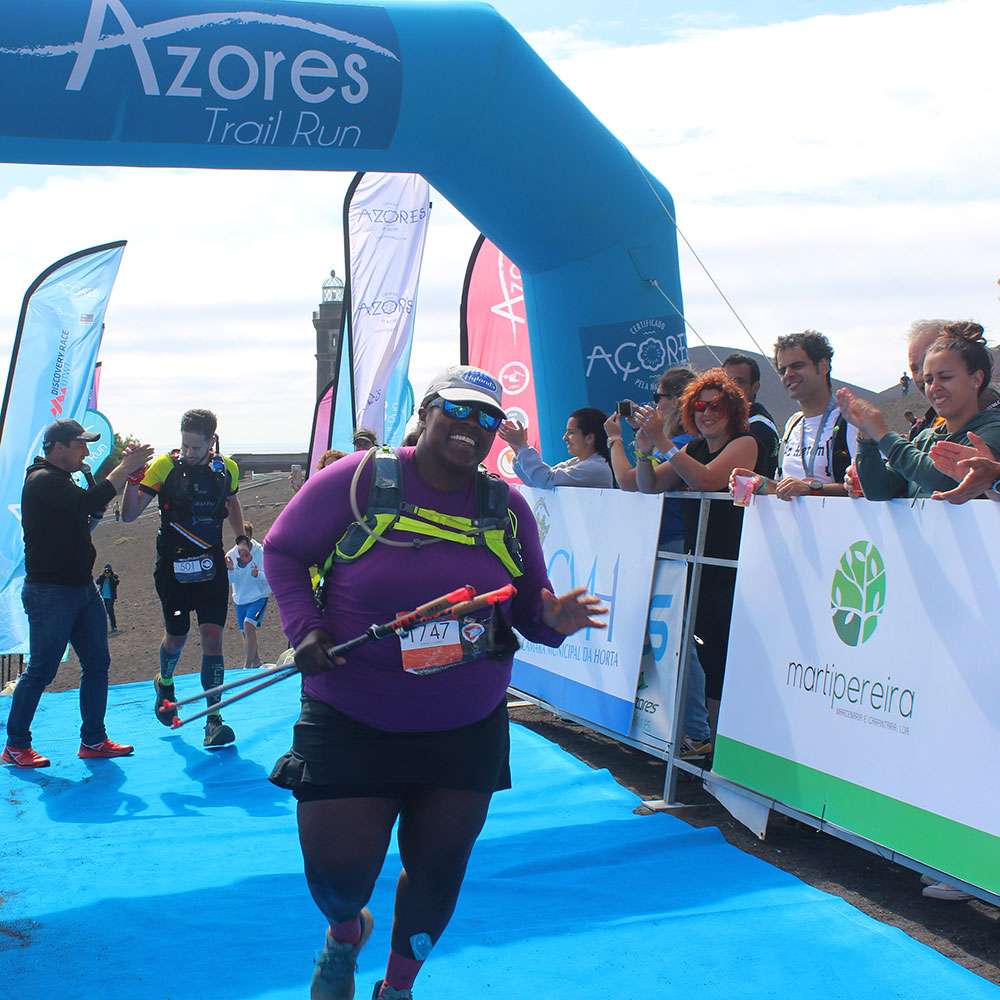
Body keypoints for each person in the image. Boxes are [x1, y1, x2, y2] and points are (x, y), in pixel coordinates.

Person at [264, 364, 607, 1000]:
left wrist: (554, 620)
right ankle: (346, 931)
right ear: (427, 411)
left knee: (438, 874)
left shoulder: (505, 509)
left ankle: (397, 988)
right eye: (460, 411)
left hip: (464, 728)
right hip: (352, 719)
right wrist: (304, 629)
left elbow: (531, 611)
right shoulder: (359, 479)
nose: (473, 427)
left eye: (488, 419)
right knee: (338, 877)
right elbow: (283, 552)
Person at [2, 419, 154, 768]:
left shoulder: (60, 481)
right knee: (42, 669)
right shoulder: (43, 481)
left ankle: (94, 739)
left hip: (81, 588)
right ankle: (15, 744)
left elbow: (88, 516)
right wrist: (125, 467)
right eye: (80, 445)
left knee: (97, 663)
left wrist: (116, 475)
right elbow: (93, 500)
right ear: (58, 447)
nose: (86, 451)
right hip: (50, 592)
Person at [634, 369, 768, 742]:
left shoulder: (745, 442)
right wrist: (644, 453)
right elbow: (650, 486)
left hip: (738, 566)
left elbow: (708, 480)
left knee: (726, 655)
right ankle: (713, 740)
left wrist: (663, 442)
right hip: (703, 565)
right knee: (708, 655)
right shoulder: (691, 449)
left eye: (716, 406)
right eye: (699, 406)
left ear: (733, 410)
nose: (707, 412)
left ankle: (729, 740)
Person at [121, 409, 245, 748]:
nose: (189, 453)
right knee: (177, 638)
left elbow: (233, 503)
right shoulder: (165, 467)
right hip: (172, 569)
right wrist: (133, 479)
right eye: (185, 446)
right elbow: (128, 515)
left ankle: (214, 719)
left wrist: (241, 539)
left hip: (210, 567)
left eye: (196, 447)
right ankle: (165, 681)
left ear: (211, 442)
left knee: (213, 639)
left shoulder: (226, 469)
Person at [838, 326, 1000, 500]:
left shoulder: (992, 430)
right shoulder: (924, 439)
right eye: (929, 380)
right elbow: (878, 490)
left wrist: (883, 435)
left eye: (945, 377)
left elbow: (944, 482)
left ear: (976, 379)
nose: (934, 387)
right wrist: (867, 436)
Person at [734, 330, 855, 499]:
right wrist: (760, 483)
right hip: (797, 524)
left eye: (797, 366)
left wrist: (813, 488)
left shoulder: (850, 421)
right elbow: (789, 487)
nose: (788, 374)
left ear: (823, 366)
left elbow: (867, 487)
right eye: (782, 370)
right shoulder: (793, 424)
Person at [498, 407, 614, 488]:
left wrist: (522, 446)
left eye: (571, 432)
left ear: (589, 438)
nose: (564, 438)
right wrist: (516, 447)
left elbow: (545, 479)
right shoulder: (577, 462)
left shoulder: (595, 468)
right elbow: (534, 481)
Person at [722, 353, 780, 478]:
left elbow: (715, 478)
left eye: (739, 381)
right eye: (725, 382)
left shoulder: (759, 427)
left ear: (755, 387)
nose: (730, 387)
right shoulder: (725, 422)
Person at [225, 522, 271, 668]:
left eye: (246, 537)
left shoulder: (261, 552)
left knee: (248, 625)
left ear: (250, 537)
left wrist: (258, 575)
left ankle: (247, 666)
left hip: (258, 597)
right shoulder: (232, 554)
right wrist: (231, 570)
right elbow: (231, 581)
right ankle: (256, 662)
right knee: (246, 633)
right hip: (240, 600)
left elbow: (270, 577)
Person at [95, 563, 120, 634]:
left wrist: (111, 576)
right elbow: (97, 582)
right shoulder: (102, 577)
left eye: (108, 571)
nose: (107, 572)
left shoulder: (113, 577)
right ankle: (104, 628)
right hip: (103, 597)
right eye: (106, 571)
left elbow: (116, 582)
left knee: (110, 611)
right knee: (103, 613)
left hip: (110, 598)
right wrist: (103, 576)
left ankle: (114, 627)